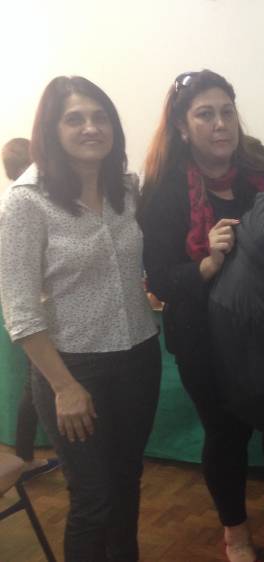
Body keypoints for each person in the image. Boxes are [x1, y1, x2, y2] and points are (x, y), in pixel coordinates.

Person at [138, 69, 264, 562]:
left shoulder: (259, 162)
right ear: (182, 126)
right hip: (204, 338)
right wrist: (207, 263)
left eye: (226, 111)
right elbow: (160, 281)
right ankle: (235, 532)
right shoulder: (164, 190)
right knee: (227, 434)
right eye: (205, 114)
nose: (220, 124)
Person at [0, 76, 161, 562]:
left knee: (127, 482)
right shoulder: (26, 202)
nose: (91, 127)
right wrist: (64, 387)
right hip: (73, 368)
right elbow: (20, 311)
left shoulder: (126, 190)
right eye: (75, 119)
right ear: (51, 130)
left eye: (100, 117)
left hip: (138, 357)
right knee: (93, 499)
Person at [1, 137, 60, 479]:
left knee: (34, 386)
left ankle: (24, 458)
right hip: (37, 312)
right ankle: (24, 460)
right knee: (36, 385)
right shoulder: (21, 203)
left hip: (38, 308)